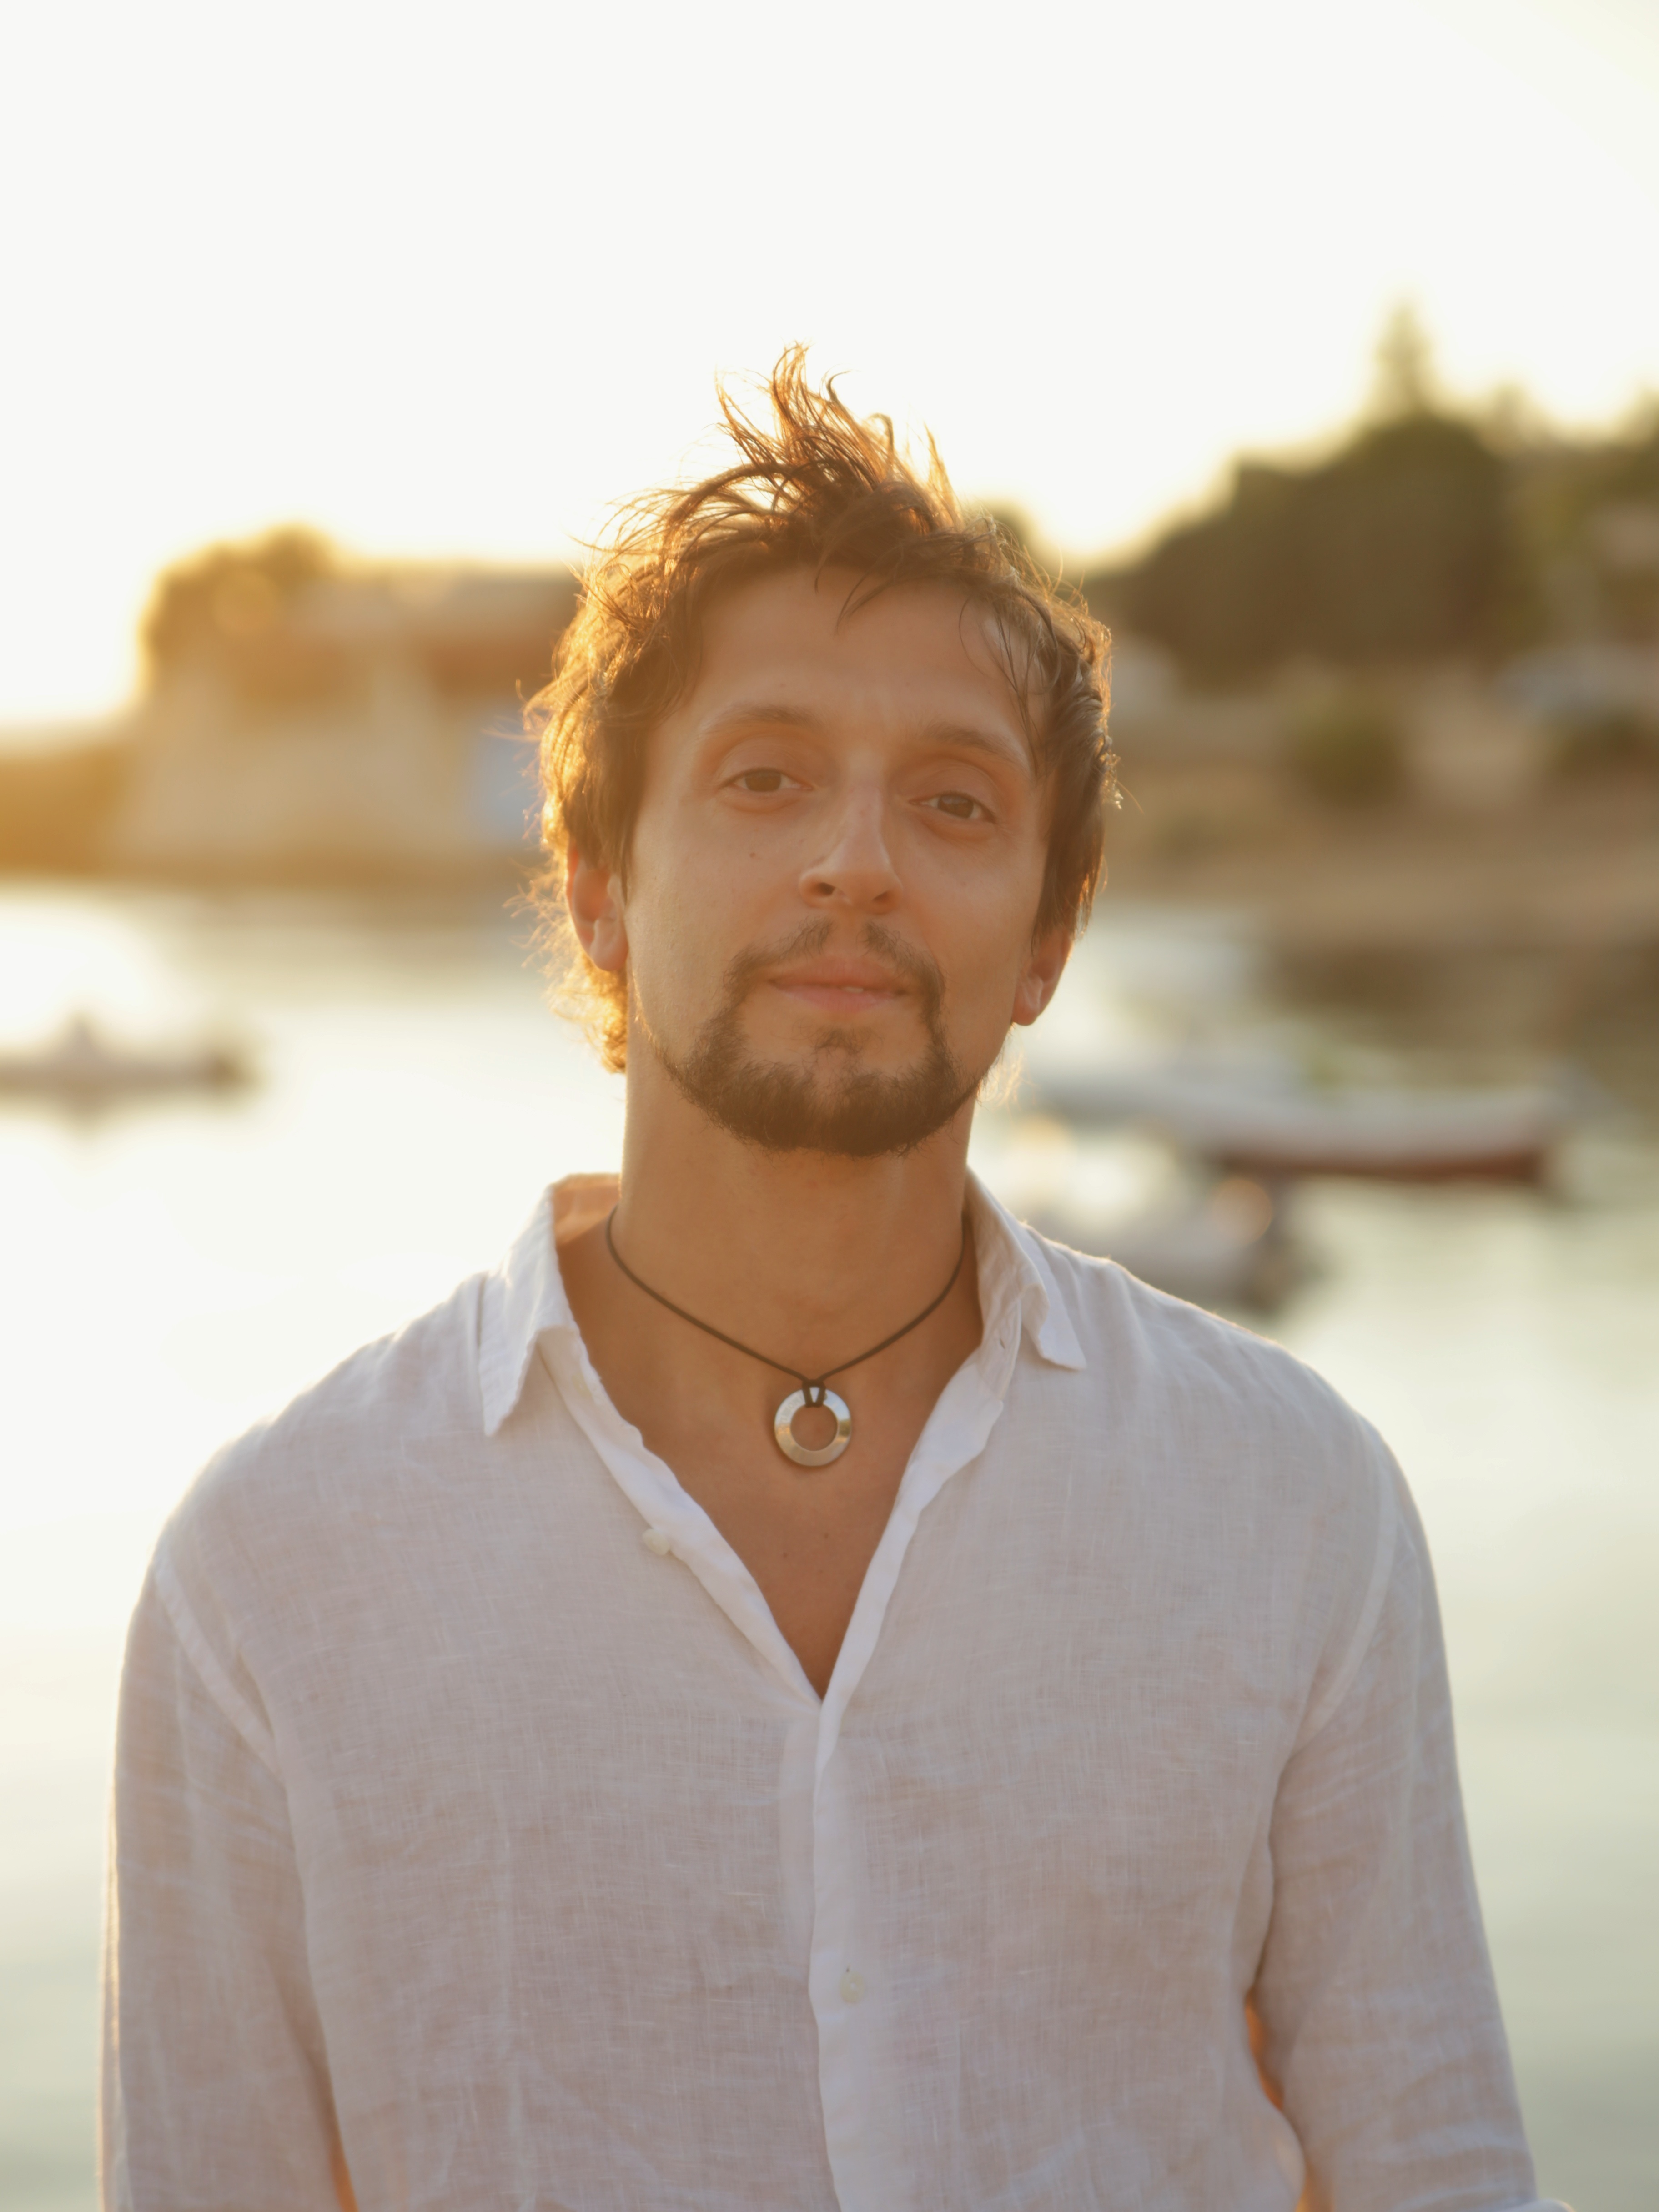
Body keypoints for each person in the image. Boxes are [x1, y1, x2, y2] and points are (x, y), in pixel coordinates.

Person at [103, 354, 1558, 2212]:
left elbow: (1435, 2165)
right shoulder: (274, 1577)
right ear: (600, 884)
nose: (853, 862)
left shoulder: (1293, 1502)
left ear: (1046, 939)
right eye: (766, 777)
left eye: (953, 803)